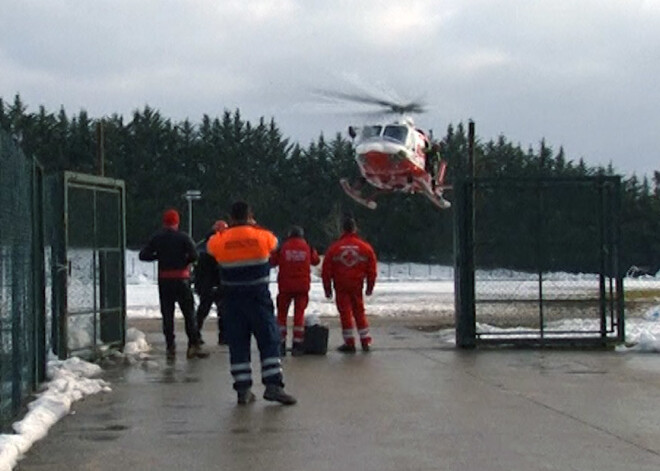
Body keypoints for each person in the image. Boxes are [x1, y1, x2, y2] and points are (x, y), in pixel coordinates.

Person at [207, 201, 297, 406]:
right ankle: (273, 386)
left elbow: (210, 247)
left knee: (238, 343)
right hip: (258, 297)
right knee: (269, 339)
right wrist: (254, 227)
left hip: (232, 299)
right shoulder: (262, 236)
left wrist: (222, 231)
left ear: (230, 218)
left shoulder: (221, 240)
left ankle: (243, 390)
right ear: (250, 216)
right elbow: (275, 243)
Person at [139, 209, 208, 360]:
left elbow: (143, 255)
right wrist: (184, 262)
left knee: (167, 314)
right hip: (181, 279)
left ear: (164, 222)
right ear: (177, 222)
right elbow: (195, 256)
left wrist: (158, 256)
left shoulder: (157, 238)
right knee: (188, 313)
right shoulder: (183, 237)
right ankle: (193, 345)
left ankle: (170, 346)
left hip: (164, 280)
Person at [322, 215, 377, 353]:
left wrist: (327, 290)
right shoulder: (365, 248)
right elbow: (372, 270)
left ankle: (349, 342)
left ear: (343, 229)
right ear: (355, 228)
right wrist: (370, 287)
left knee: (345, 313)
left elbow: (326, 271)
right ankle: (365, 341)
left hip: (341, 286)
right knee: (359, 312)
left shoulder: (334, 248)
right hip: (357, 285)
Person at [270, 225, 320, 356]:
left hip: (285, 286)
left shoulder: (283, 247)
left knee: (282, 315)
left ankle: (281, 344)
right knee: (299, 315)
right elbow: (316, 261)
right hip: (302, 287)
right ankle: (297, 344)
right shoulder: (307, 247)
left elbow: (272, 261)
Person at [194, 220, 228, 345]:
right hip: (217, 282)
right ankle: (223, 337)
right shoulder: (220, 245)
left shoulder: (203, 244)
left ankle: (196, 334)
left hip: (206, 283)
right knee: (222, 311)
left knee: (203, 310)